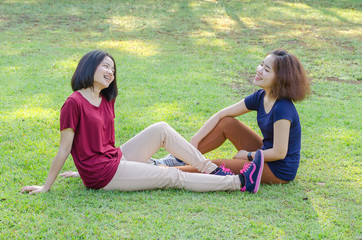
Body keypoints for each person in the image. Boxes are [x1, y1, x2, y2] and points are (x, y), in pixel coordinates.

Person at [20, 50, 265, 195]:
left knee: (161, 128)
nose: (110, 72)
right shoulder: (73, 103)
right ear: (88, 66)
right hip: (104, 174)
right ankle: (239, 182)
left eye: (113, 69)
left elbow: (101, 144)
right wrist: (46, 187)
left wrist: (82, 170)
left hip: (113, 159)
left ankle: (211, 169)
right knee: (171, 176)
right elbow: (65, 148)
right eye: (105, 66)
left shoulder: (105, 99)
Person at [151, 49, 310, 185]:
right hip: (264, 152)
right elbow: (222, 114)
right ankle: (179, 158)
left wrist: (248, 155)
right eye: (261, 64)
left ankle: (160, 172)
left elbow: (279, 153)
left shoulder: (283, 108)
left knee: (215, 165)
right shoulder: (261, 96)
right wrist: (195, 140)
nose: (259, 69)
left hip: (279, 170)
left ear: (280, 79)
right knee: (227, 123)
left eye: (267, 69)